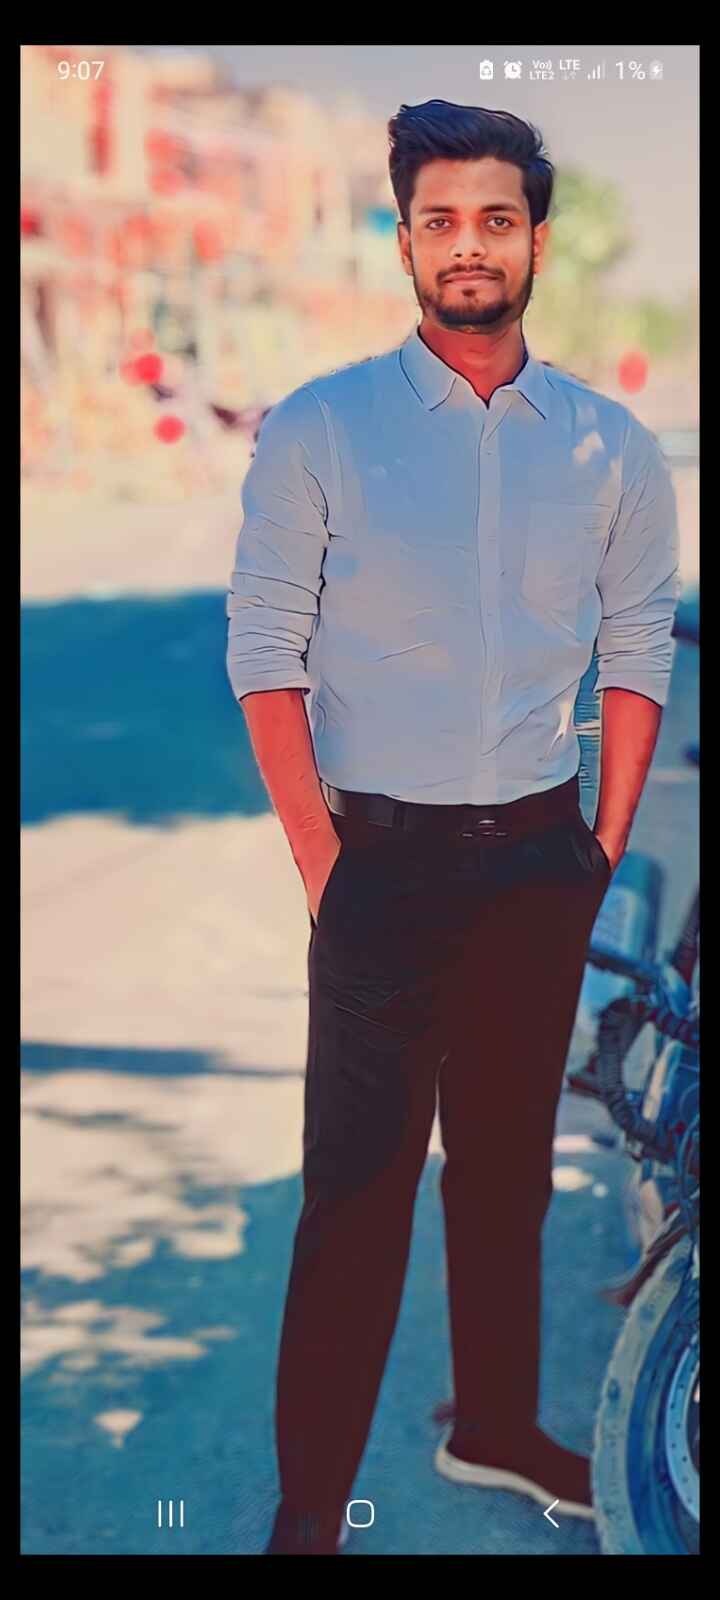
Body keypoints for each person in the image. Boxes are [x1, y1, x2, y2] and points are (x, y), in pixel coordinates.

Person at [225, 100, 680, 1556]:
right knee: (355, 1199)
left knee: (505, 1175)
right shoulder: (322, 429)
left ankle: (492, 1426)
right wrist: (324, 861)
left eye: (495, 218)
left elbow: (637, 649)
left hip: (541, 857)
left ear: (535, 238)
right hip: (383, 861)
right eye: (440, 220)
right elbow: (266, 653)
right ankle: (311, 1514)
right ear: (406, 238)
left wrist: (597, 843)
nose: (467, 244)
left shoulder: (613, 446)